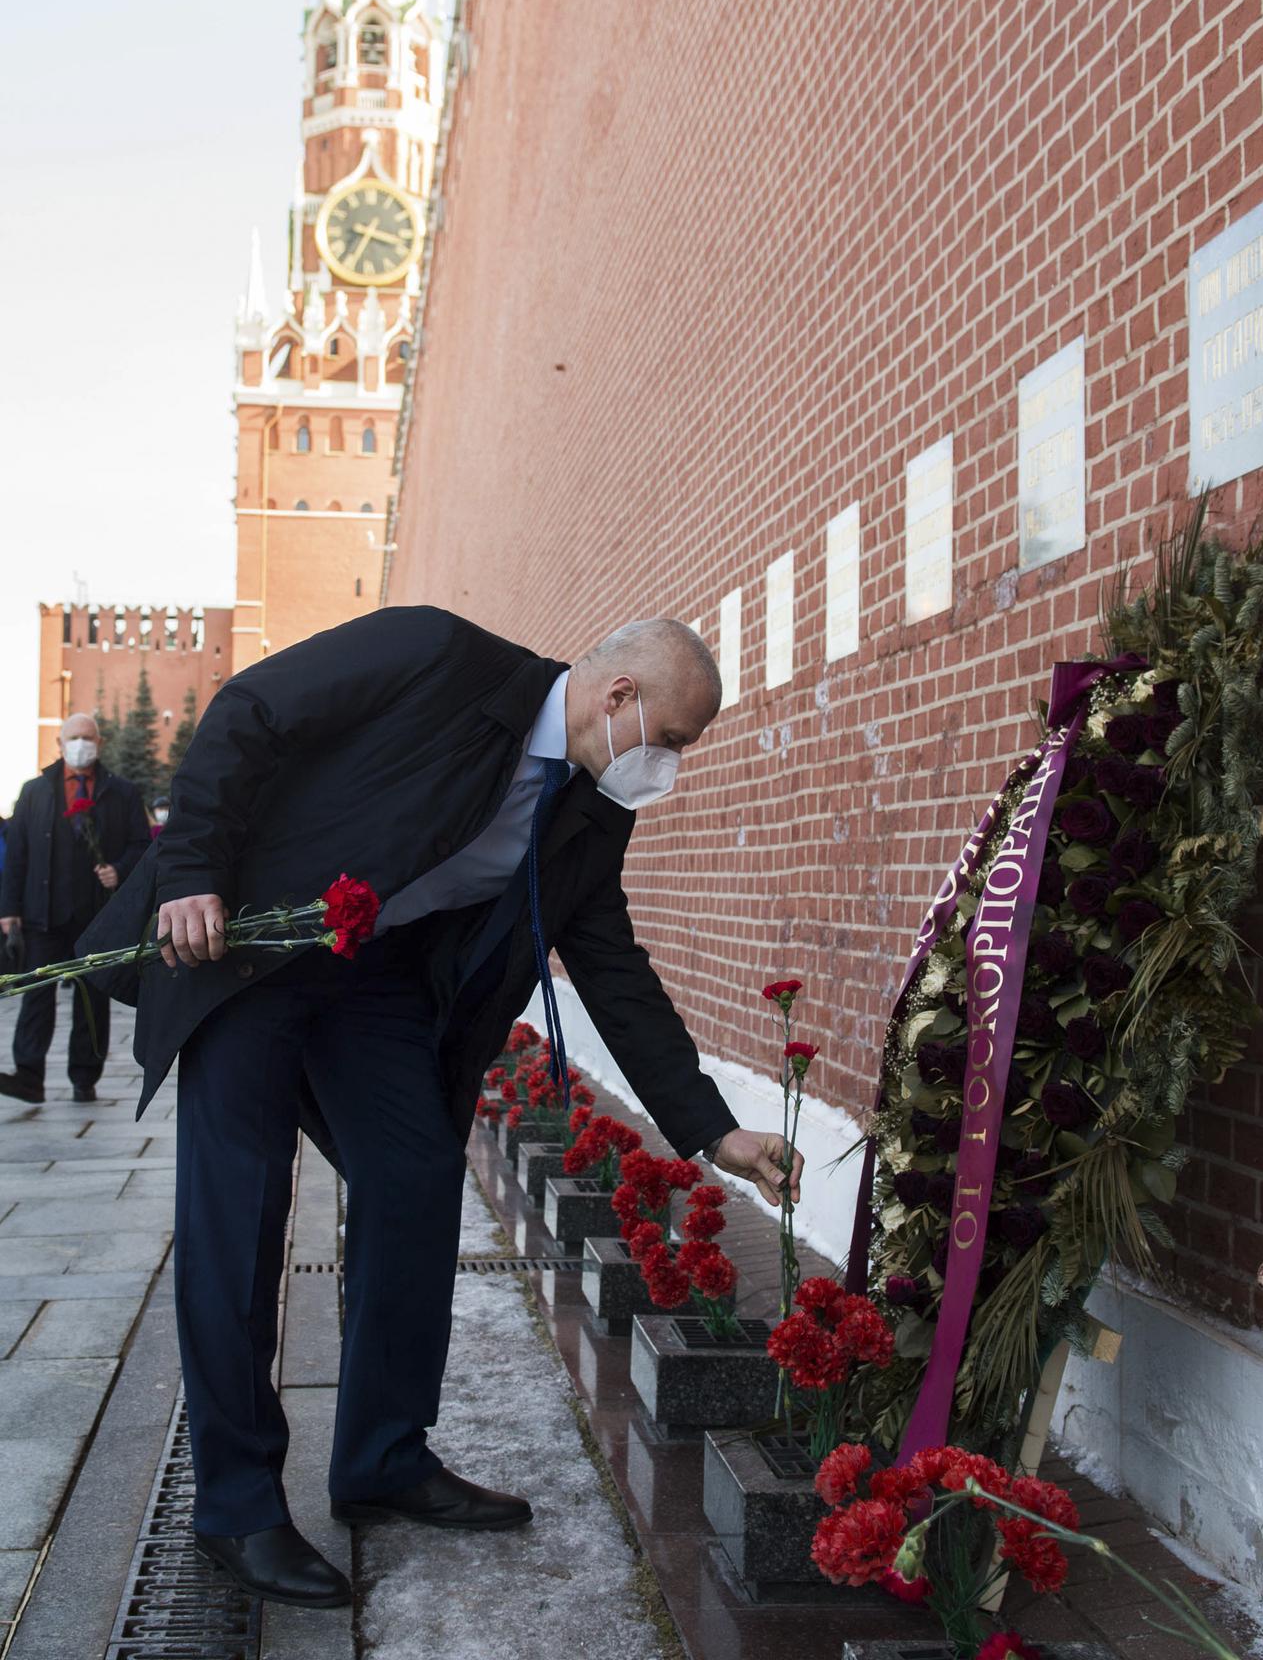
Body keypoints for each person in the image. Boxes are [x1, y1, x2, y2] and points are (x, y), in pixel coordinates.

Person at [77, 608, 805, 1610]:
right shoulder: (438, 657)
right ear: (618, 696)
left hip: (368, 982)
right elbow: (250, 711)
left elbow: (614, 972)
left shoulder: (590, 813)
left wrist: (713, 1129)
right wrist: (194, 870)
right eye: (671, 739)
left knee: (416, 1177)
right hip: (249, 941)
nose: (670, 764)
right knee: (239, 1212)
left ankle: (381, 1457)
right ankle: (237, 1508)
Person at [0, 715, 150, 1104]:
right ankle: (28, 1075)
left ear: (99, 743)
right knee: (36, 994)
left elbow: (142, 845)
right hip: (43, 914)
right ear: (59, 743)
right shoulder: (35, 791)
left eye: (87, 737)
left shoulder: (122, 792)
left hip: (96, 917)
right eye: (73, 737)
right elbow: (17, 854)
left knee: (91, 998)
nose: (80, 744)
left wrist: (118, 869)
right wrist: (9, 908)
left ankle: (85, 1076)